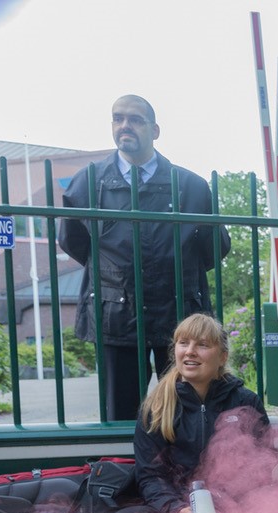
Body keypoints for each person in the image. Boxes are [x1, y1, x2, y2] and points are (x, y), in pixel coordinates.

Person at [60, 94, 231, 422]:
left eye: (135, 119)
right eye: (118, 117)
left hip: (180, 318)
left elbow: (214, 248)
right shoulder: (88, 183)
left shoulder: (191, 186)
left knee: (186, 412)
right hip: (117, 316)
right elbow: (74, 241)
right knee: (121, 416)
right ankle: (123, 474)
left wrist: (175, 272)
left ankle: (187, 472)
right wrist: (115, 272)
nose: (125, 125)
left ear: (154, 130)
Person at [108, 314, 268, 513]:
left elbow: (262, 464)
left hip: (232, 507)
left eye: (202, 345)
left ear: (222, 357)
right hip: (177, 510)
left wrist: (226, 503)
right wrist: (176, 509)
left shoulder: (246, 402)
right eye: (183, 343)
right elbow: (150, 476)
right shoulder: (156, 407)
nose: (190, 351)